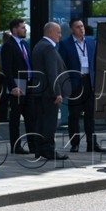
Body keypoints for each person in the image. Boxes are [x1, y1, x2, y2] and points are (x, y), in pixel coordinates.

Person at [27, 21, 68, 161]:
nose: (60, 35)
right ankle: (49, 150)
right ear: (50, 32)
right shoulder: (48, 48)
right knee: (49, 123)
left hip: (39, 90)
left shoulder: (38, 45)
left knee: (40, 121)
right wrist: (57, 92)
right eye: (58, 32)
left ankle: (39, 149)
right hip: (49, 92)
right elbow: (52, 72)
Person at [58, 17, 100, 152]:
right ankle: (75, 143)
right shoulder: (65, 44)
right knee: (74, 115)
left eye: (82, 26)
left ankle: (91, 143)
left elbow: (96, 62)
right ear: (71, 30)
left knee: (90, 114)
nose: (81, 29)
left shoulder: (91, 41)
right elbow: (62, 66)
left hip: (89, 81)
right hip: (75, 82)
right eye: (77, 27)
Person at [0, 19, 31, 153]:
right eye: (22, 28)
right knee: (15, 118)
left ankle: (32, 144)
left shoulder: (25, 45)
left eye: (25, 28)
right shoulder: (8, 46)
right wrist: (13, 87)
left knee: (30, 116)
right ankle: (16, 145)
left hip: (28, 84)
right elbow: (7, 69)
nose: (25, 30)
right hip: (17, 86)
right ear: (15, 29)